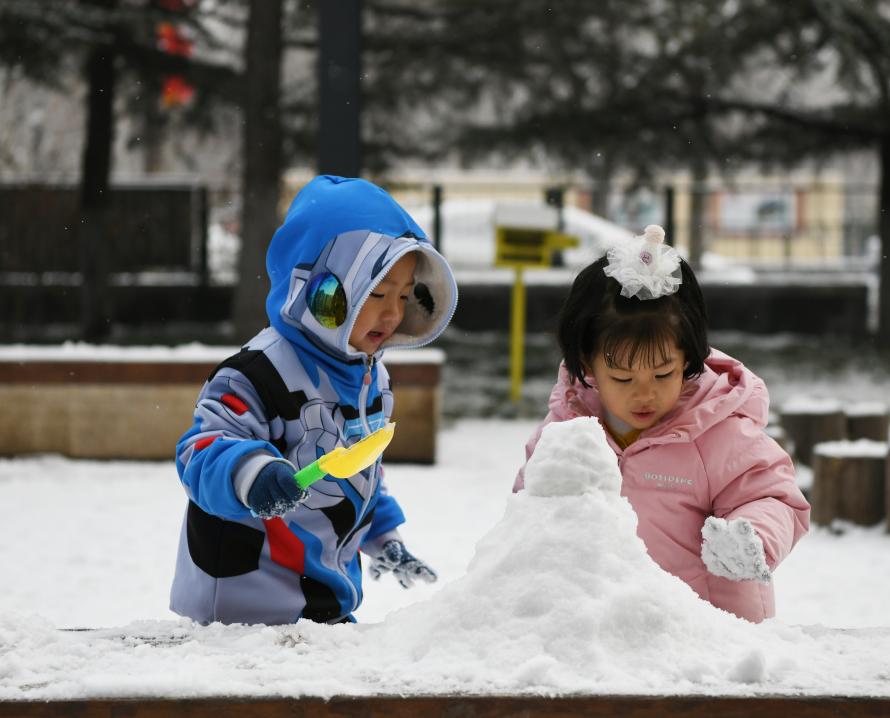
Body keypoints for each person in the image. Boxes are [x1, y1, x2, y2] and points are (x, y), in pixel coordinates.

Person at [170, 176, 458, 625]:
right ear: (322, 290)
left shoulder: (371, 378)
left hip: (323, 605)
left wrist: (385, 536)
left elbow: (358, 471)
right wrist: (253, 471)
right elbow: (201, 449)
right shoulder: (258, 373)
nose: (393, 313)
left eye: (404, 296)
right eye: (377, 293)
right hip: (240, 611)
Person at [514, 225, 810, 623]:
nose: (644, 394)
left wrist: (752, 536)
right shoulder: (568, 428)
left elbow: (771, 497)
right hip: (605, 627)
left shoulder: (717, 429)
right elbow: (530, 507)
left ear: (688, 359)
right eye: (622, 379)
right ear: (587, 364)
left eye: (662, 374)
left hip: (709, 633)